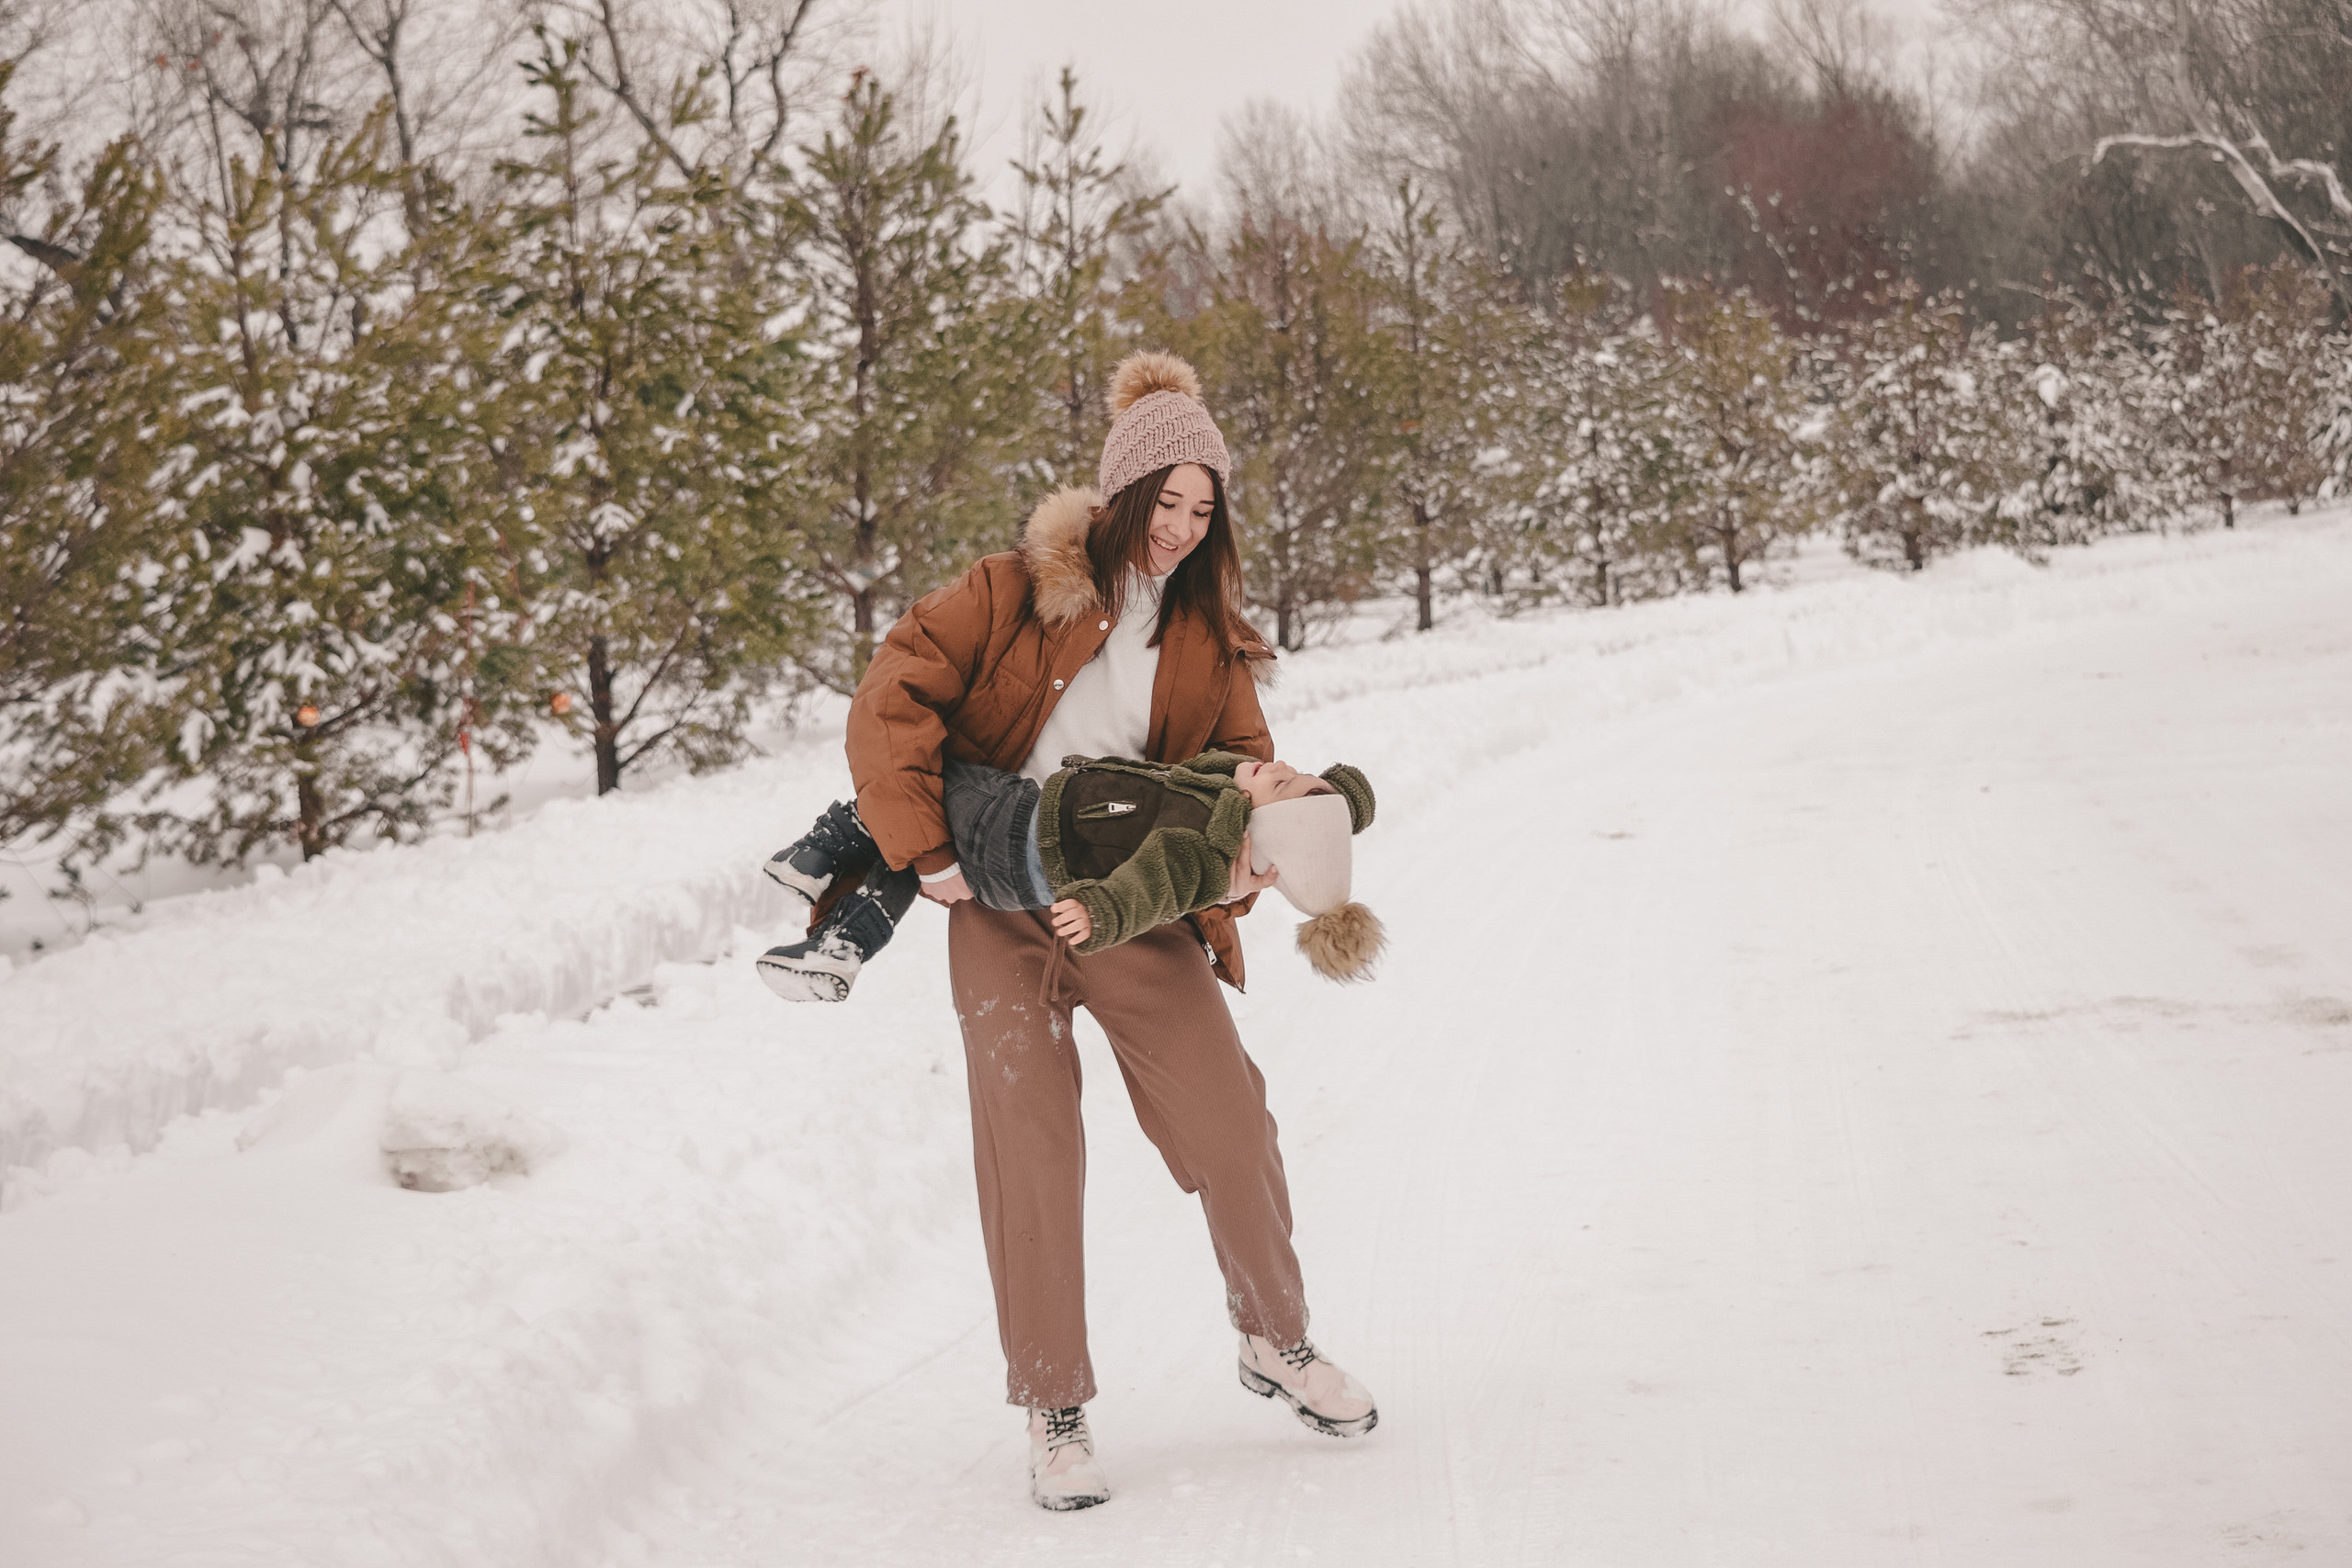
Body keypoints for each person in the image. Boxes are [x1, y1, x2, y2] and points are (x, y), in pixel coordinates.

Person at [821, 350, 1380, 1512]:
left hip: (1133, 903)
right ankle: (1053, 1405)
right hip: (997, 904)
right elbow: (892, 693)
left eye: (1202, 510)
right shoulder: (1010, 590)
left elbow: (1236, 777)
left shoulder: (1209, 637)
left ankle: (1274, 1337)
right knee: (1028, 1151)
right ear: (1123, 492)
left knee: (1229, 1120)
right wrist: (925, 851)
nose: (1180, 528)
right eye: (1166, 502)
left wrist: (1250, 860)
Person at [751, 747, 1385, 1001]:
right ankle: (841, 946)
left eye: (1280, 784)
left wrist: (1102, 912)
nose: (1278, 766)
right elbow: (1202, 770)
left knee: (923, 786)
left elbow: (1149, 888)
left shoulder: (1202, 850)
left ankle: (816, 851)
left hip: (1023, 832)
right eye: (1291, 771)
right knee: (909, 846)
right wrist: (1285, 788)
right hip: (1021, 847)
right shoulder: (1219, 815)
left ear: (1264, 827)